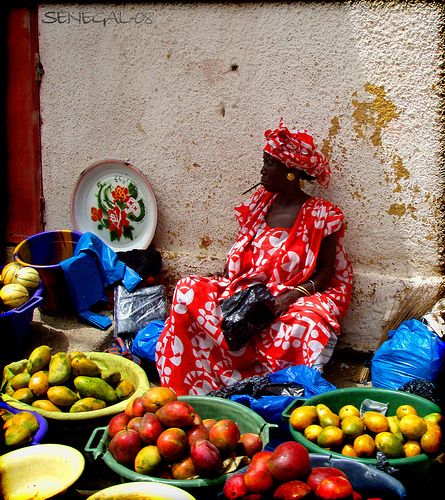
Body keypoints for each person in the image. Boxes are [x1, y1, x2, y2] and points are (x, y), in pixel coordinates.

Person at [156, 119, 353, 395]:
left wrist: (290, 296)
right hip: (245, 290)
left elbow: (326, 273)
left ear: (289, 172)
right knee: (187, 290)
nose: (262, 171)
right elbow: (237, 262)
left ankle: (276, 392)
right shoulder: (259, 205)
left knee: (309, 323)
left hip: (291, 297)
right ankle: (198, 383)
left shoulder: (322, 214)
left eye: (268, 164)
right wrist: (230, 284)